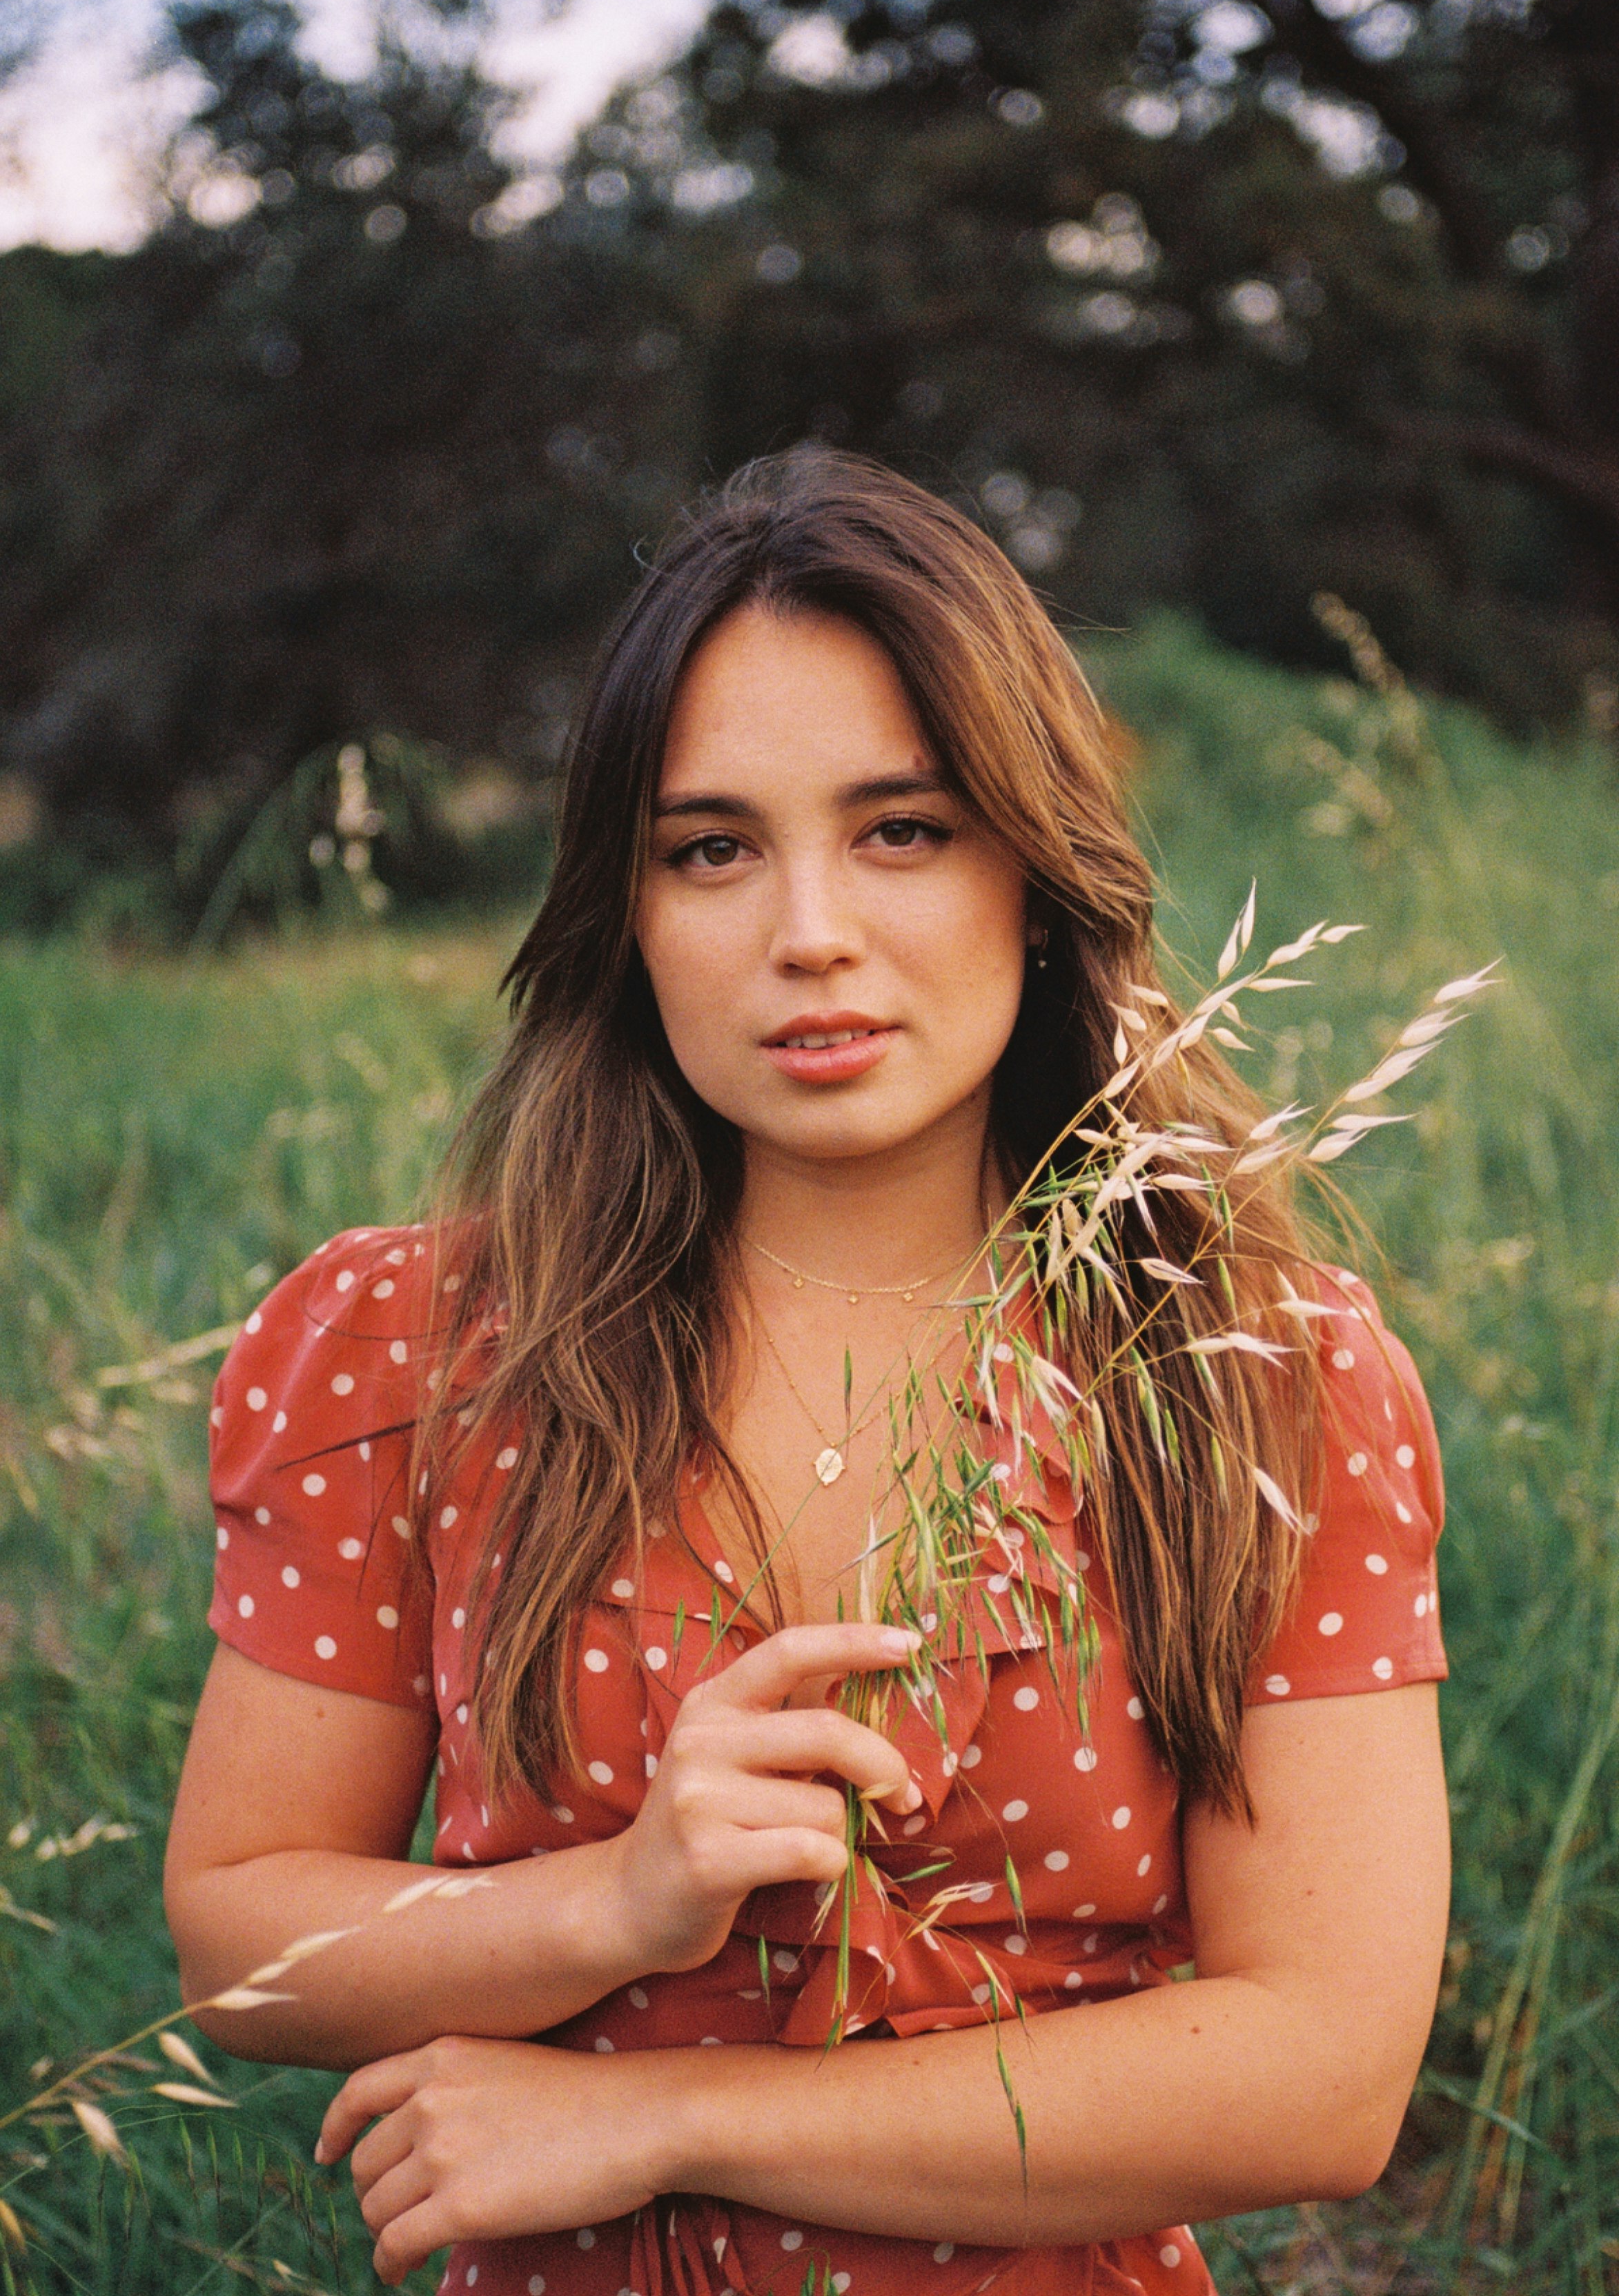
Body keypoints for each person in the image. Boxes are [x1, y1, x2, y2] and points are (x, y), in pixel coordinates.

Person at [165, 449, 1451, 2296]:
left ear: (1034, 864)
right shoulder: (417, 1350)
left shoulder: (1253, 1374)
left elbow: (1318, 2081)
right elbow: (238, 1936)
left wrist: (664, 2112)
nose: (807, 936)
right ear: (629, 913)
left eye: (900, 830)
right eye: (711, 849)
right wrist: (610, 1904)